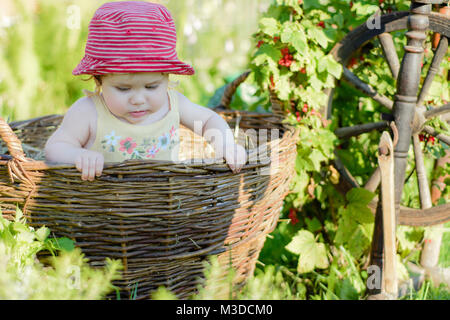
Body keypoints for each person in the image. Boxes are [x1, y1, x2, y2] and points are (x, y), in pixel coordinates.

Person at [45, 1, 247, 181]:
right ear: (98, 79)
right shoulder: (89, 111)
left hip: (162, 205)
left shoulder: (173, 103)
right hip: (102, 209)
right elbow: (55, 148)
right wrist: (78, 156)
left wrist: (226, 145)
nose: (138, 99)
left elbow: (209, 121)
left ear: (167, 77)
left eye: (151, 87)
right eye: (123, 89)